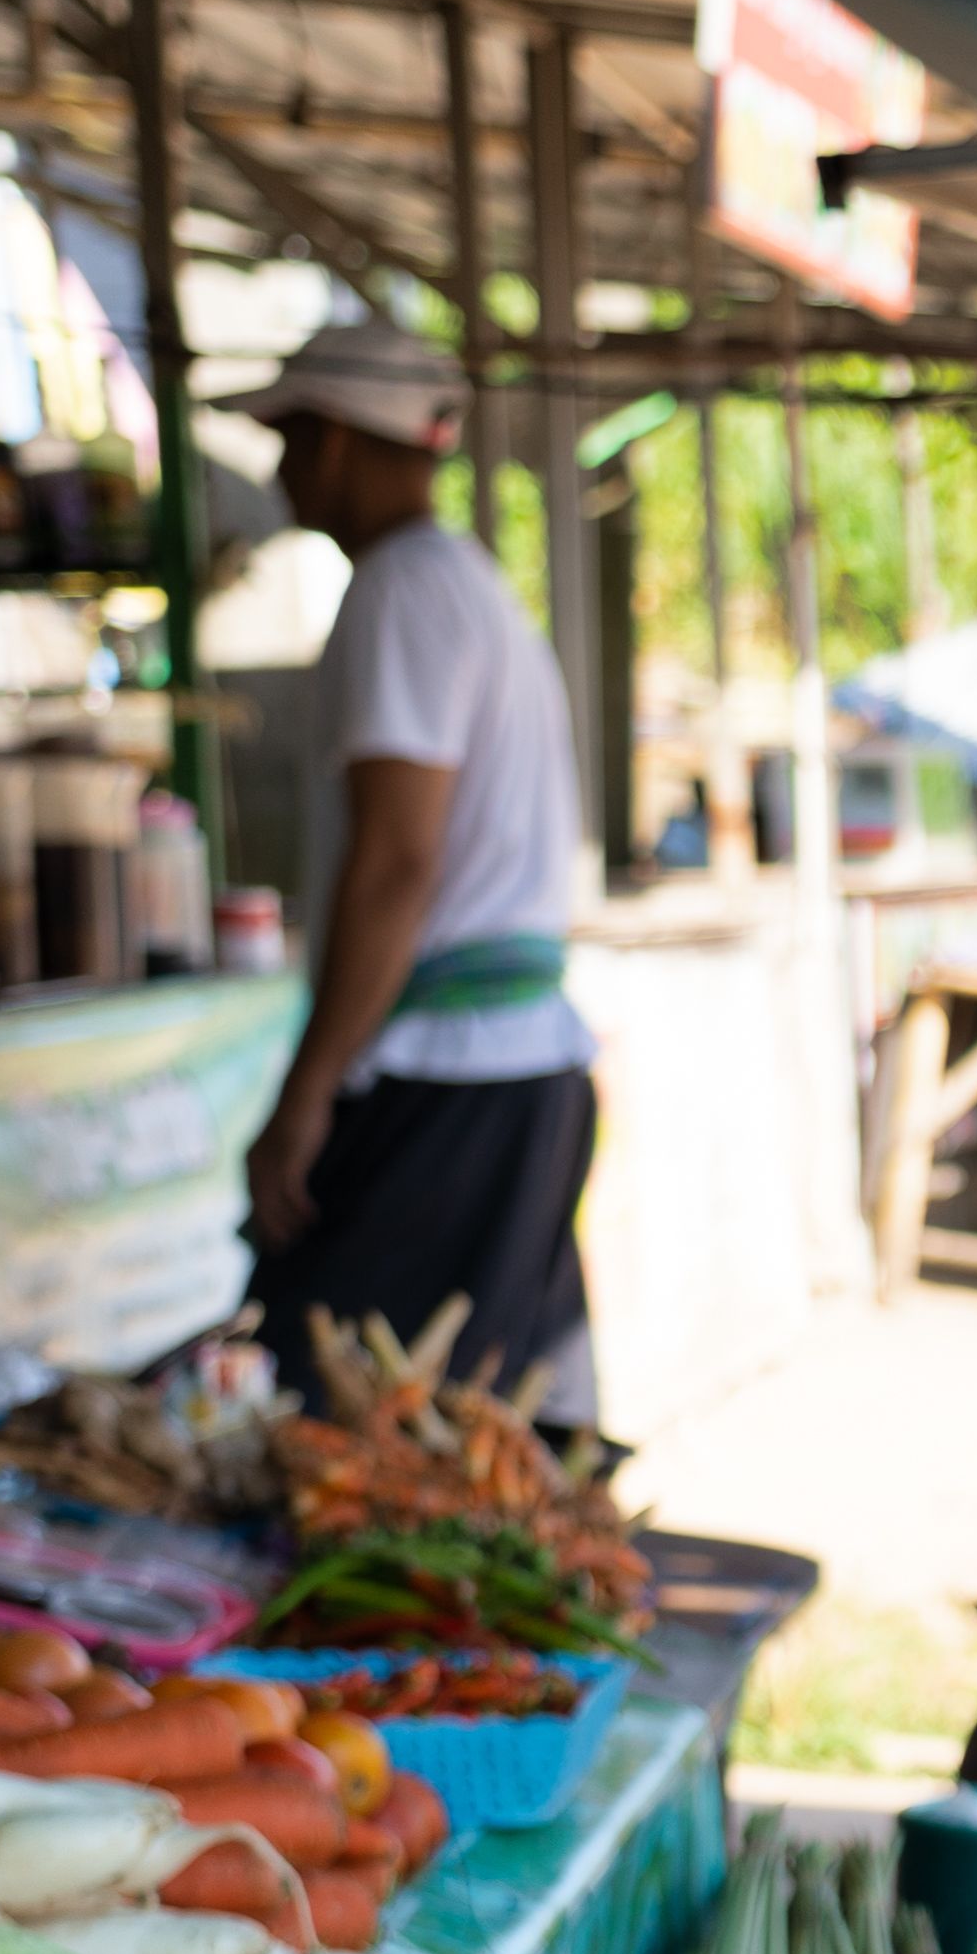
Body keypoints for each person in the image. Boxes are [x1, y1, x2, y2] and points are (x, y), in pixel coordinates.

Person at [230, 321, 600, 1418]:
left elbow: (397, 860)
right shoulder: (462, 582)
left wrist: (306, 1091)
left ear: (337, 440)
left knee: (331, 1416)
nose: (281, 467)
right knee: (477, 1421)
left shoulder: (401, 592)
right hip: (512, 1071)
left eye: (292, 438)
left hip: (450, 1084)